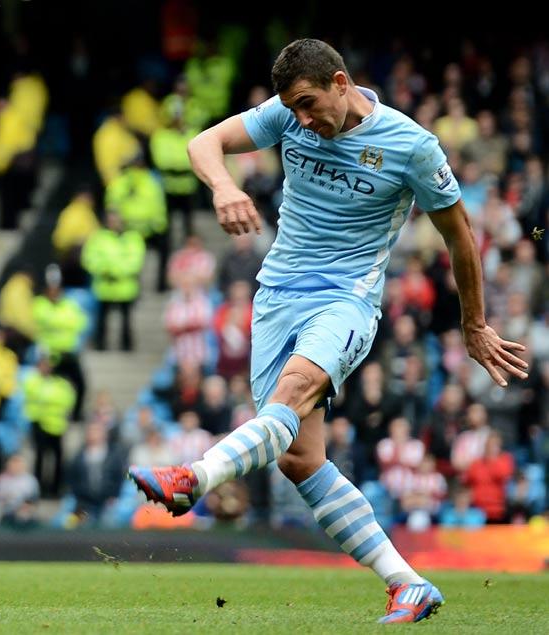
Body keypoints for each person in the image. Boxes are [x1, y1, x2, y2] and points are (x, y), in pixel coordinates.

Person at [129, 39, 529, 625]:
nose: (302, 120)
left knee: (291, 395)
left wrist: (474, 325)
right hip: (275, 299)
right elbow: (203, 142)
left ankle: (193, 478)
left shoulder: (410, 146)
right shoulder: (289, 116)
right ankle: (408, 584)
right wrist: (223, 186)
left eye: (310, 104)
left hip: (345, 302)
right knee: (297, 459)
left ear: (341, 83)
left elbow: (459, 235)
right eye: (292, 109)